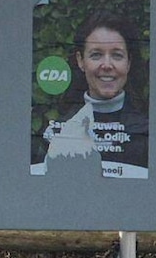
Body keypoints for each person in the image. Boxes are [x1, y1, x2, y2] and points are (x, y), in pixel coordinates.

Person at [35, 10, 149, 178]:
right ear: (81, 61)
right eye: (96, 55)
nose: (107, 65)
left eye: (117, 55)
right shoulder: (55, 132)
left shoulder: (149, 132)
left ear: (129, 62)